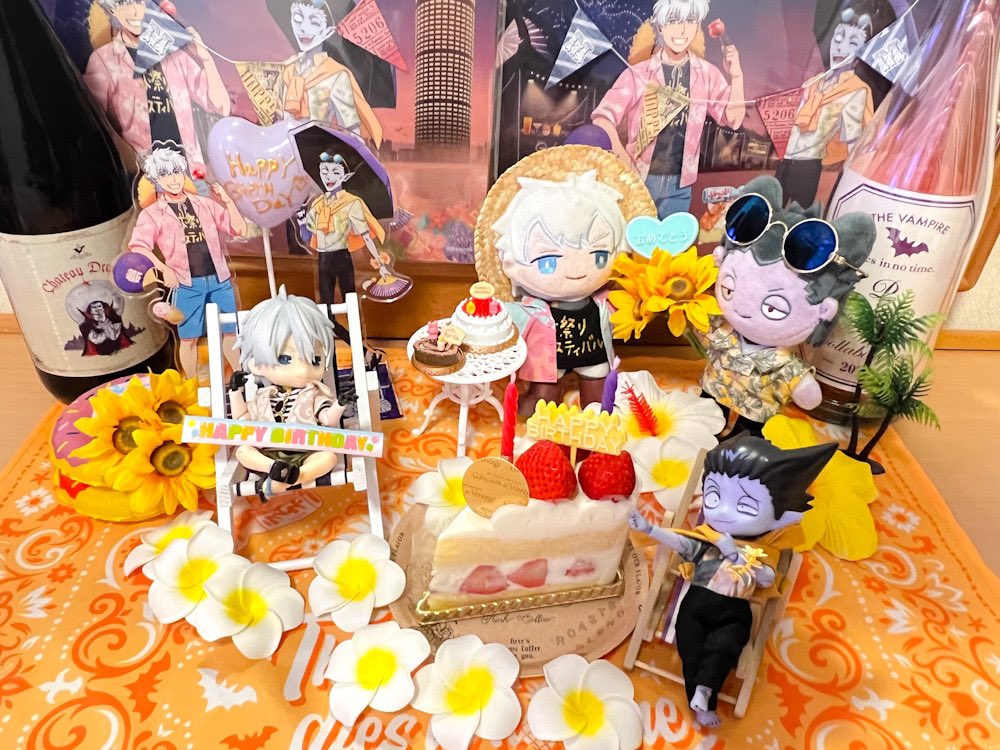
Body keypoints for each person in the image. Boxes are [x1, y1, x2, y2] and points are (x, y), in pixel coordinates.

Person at [628, 434, 837, 728]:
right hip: (695, 605)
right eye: (714, 497)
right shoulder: (707, 539)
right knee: (689, 646)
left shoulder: (765, 550)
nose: (723, 512)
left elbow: (766, 578)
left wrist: (735, 554)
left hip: (734, 614)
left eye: (746, 505)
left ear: (781, 517)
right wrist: (650, 529)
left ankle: (704, 692)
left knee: (726, 645)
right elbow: (682, 543)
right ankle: (703, 697)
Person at [697, 176, 875, 434]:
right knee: (703, 422)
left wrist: (804, 387)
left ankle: (742, 443)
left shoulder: (782, 362)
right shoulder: (723, 332)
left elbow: (803, 389)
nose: (743, 309)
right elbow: (699, 328)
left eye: (774, 308)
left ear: (825, 310)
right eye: (729, 289)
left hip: (757, 409)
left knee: (746, 442)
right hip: (713, 392)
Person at [592, 0, 745, 218]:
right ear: (661, 26)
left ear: (697, 26)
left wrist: (737, 76)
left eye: (690, 21)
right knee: (635, 237)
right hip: (639, 178)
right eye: (673, 21)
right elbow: (602, 118)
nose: (681, 30)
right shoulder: (639, 73)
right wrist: (622, 156)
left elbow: (734, 119)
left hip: (680, 185)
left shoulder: (707, 74)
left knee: (673, 239)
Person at [494, 170, 626, 414]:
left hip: (594, 355)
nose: (576, 271)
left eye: (599, 257)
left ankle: (596, 409)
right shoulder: (533, 309)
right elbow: (507, 318)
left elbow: (627, 313)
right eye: (548, 262)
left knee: (598, 398)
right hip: (550, 361)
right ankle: (541, 399)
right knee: (543, 397)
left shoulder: (604, 301)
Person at [128, 146, 247, 378]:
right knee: (188, 338)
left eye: (175, 172)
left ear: (183, 173)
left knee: (230, 332)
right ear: (156, 180)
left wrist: (228, 201)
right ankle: (191, 385)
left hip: (220, 279)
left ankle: (241, 379)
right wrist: (163, 269)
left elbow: (239, 229)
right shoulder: (153, 214)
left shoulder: (204, 204)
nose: (172, 179)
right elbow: (138, 246)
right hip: (186, 283)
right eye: (164, 174)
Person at [84, 0, 230, 171]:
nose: (135, 12)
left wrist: (207, 59)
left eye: (139, 2)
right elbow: (92, 125)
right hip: (145, 174)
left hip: (191, 170)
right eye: (124, 4)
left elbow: (221, 107)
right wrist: (130, 161)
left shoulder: (174, 53)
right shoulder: (104, 60)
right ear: (112, 10)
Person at [231, 287, 347, 498]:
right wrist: (234, 392)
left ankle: (290, 477)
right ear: (256, 365)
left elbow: (327, 420)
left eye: (315, 360)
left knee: (328, 457)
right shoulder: (263, 397)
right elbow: (242, 420)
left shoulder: (313, 394)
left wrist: (339, 404)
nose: (303, 370)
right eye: (285, 359)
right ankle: (276, 469)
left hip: (307, 451)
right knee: (243, 451)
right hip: (267, 453)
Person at [776, 9, 874, 208]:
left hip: (808, 165)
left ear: (860, 54)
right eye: (838, 38)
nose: (841, 47)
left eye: (852, 43)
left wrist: (853, 185)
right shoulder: (812, 83)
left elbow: (854, 142)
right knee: (768, 210)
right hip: (784, 160)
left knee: (797, 217)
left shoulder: (855, 91)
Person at [281, 0, 383, 147]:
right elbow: (281, 124)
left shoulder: (335, 75)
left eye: (314, 22)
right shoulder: (288, 73)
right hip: (288, 152)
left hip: (319, 153)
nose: (303, 28)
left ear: (328, 30)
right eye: (297, 18)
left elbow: (351, 131)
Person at [298, 152, 389, 305]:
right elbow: (306, 237)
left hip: (342, 257)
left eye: (335, 172)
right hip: (322, 259)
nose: (329, 177)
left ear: (345, 176)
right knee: (325, 303)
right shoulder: (317, 204)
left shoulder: (351, 203)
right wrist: (301, 220)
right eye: (324, 171)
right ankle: (330, 321)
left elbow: (366, 236)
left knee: (350, 301)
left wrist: (381, 265)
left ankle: (352, 320)